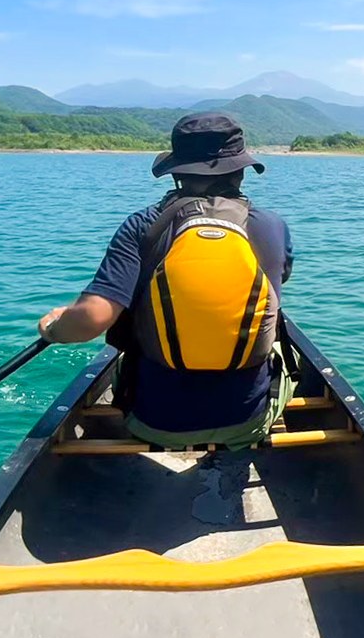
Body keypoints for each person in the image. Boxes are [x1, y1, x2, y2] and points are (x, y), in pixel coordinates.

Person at [36, 112, 294, 448]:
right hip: (246, 422)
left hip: (153, 422)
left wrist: (55, 326)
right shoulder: (272, 226)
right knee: (287, 348)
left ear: (176, 173)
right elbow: (280, 279)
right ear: (241, 171)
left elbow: (93, 319)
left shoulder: (142, 226)